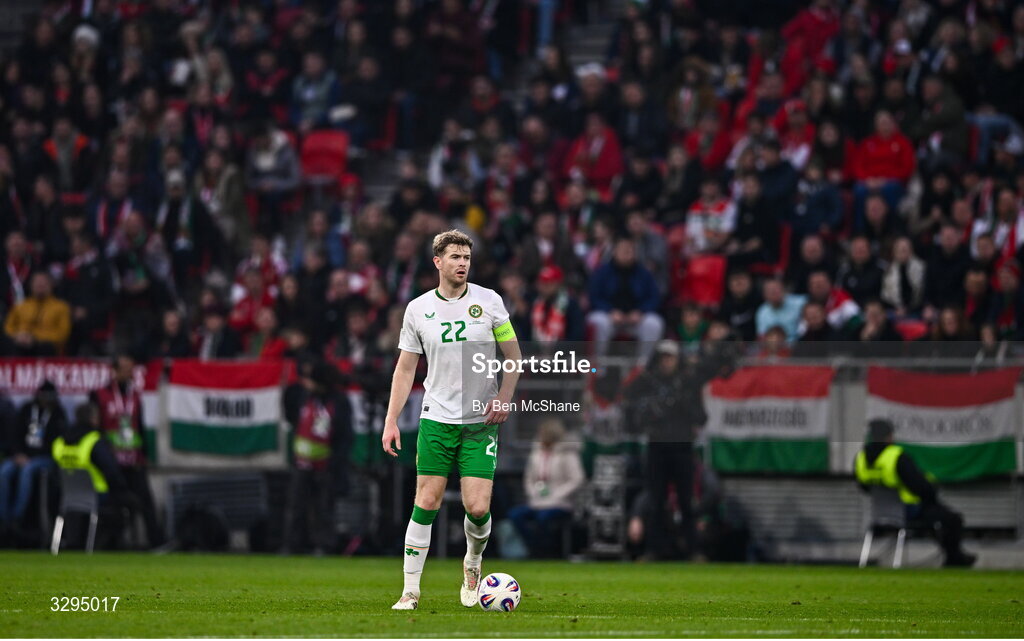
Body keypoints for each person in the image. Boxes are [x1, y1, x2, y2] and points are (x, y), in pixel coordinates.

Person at [381, 229, 522, 610]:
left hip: (481, 422)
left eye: (467, 257)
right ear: (437, 262)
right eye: (455, 257)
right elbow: (405, 369)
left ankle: (472, 563)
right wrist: (391, 419)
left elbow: (514, 357)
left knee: (477, 508)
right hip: (437, 418)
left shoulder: (489, 302)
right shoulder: (418, 309)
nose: (462, 263)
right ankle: (410, 591)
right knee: (426, 501)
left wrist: (504, 399)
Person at [624, 338, 736, 560]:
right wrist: (651, 410)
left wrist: (682, 403)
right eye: (663, 357)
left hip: (682, 447)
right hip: (656, 446)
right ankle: (653, 550)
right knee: (655, 500)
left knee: (686, 500)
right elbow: (630, 404)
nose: (667, 362)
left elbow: (701, 418)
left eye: (671, 357)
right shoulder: (648, 382)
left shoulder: (688, 383)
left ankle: (693, 550)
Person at [855, 419, 976, 567]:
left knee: (937, 516)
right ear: (889, 436)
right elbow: (920, 486)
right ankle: (954, 559)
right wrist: (932, 494)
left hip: (878, 514)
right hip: (908, 511)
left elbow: (864, 486)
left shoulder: (860, 458)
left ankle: (956, 557)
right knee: (952, 519)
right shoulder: (896, 457)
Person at [91, 353, 165, 548]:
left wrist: (145, 454)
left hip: (133, 460)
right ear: (113, 371)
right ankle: (113, 543)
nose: (129, 373)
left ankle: (157, 543)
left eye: (131, 369)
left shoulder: (135, 395)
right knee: (116, 505)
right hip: (111, 463)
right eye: (124, 369)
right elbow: (96, 428)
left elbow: (138, 426)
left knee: (146, 500)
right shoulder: (99, 394)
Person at [281, 361, 352, 555]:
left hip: (326, 464)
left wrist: (335, 463)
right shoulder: (305, 397)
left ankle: (323, 545)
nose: (305, 382)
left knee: (324, 508)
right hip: (302, 462)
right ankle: (293, 545)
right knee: (296, 507)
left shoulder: (338, 401)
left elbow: (344, 435)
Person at [51, 402, 137, 550]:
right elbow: (111, 471)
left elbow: (55, 472)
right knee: (132, 503)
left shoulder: (60, 442)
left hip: (68, 497)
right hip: (97, 494)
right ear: (93, 419)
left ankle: (72, 541)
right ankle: (109, 544)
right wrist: (122, 487)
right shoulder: (94, 440)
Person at [506, 418, 584, 558]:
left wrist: (557, 495)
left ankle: (547, 551)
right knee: (515, 515)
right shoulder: (536, 452)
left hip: (561, 503)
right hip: (537, 501)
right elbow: (529, 477)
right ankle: (533, 547)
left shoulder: (568, 453)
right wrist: (533, 493)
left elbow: (577, 479)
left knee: (544, 518)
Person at [0, 381, 66, 535]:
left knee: (27, 472)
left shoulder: (57, 414)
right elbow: (15, 434)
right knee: (3, 472)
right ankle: (4, 518)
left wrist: (30, 457)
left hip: (44, 458)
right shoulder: (27, 409)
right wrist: (17, 453)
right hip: (21, 455)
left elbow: (56, 442)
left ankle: (17, 516)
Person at [3, 271, 71, 355]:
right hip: (20, 343)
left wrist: (35, 338)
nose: (40, 286)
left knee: (46, 346)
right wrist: (17, 336)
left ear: (51, 285)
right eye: (37, 283)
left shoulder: (61, 307)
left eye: (44, 283)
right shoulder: (21, 306)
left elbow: (63, 334)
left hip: (44, 346)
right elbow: (8, 328)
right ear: (31, 285)